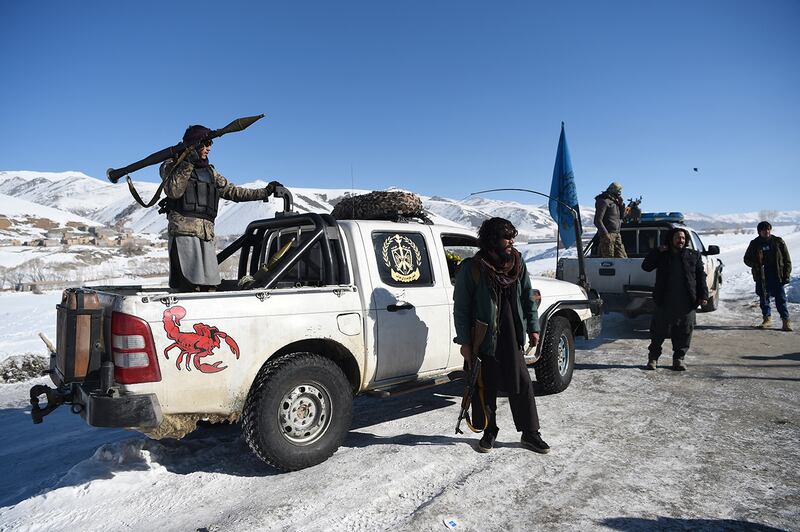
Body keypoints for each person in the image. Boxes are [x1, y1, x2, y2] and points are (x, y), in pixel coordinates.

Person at [453, 217, 550, 454]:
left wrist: (533, 327)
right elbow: (461, 308)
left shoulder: (517, 262)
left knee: (522, 383)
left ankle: (530, 433)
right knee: (486, 386)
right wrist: (464, 342)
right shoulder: (473, 267)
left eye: (513, 236)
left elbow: (527, 296)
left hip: (511, 335)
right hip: (483, 338)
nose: (512, 241)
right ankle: (489, 431)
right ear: (492, 239)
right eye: (507, 236)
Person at [160, 124, 281, 292]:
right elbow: (174, 190)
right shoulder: (171, 165)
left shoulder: (209, 172)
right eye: (206, 143)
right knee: (187, 285)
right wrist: (187, 163)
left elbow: (233, 192)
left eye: (211, 144)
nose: (209, 148)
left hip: (207, 235)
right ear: (194, 144)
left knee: (210, 285)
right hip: (184, 235)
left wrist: (264, 192)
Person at [642, 227, 708, 371]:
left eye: (683, 238)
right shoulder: (663, 255)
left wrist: (703, 295)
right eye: (678, 237)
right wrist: (657, 251)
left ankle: (679, 359)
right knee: (658, 331)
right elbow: (646, 266)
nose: (681, 240)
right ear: (671, 239)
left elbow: (700, 276)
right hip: (664, 299)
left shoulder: (693, 255)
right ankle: (653, 358)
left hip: (687, 301)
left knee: (684, 331)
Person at [743, 221, 792, 331]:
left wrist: (786, 275)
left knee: (781, 299)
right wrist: (756, 264)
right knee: (764, 299)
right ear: (759, 232)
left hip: (777, 275)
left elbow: (787, 260)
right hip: (762, 276)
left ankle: (786, 321)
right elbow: (746, 259)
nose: (767, 232)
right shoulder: (754, 243)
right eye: (764, 230)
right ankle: (767, 318)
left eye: (768, 229)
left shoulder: (778, 242)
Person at [594, 182, 627, 258]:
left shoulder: (615, 202)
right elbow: (597, 220)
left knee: (623, 259)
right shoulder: (604, 200)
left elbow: (622, 217)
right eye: (618, 190)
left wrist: (621, 205)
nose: (620, 193)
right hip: (608, 234)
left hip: (617, 234)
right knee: (608, 260)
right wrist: (606, 235)